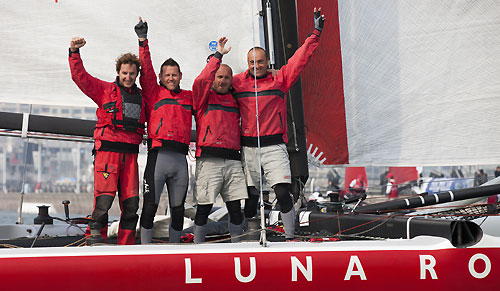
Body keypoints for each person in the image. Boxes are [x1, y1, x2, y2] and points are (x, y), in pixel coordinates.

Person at [232, 8, 325, 240]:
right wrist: (214, 59)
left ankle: (290, 237)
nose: (256, 66)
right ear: (247, 63)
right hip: (248, 147)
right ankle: (248, 237)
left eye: (260, 62)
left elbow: (300, 59)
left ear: (267, 62)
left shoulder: (280, 79)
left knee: (283, 193)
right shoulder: (237, 83)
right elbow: (213, 86)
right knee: (251, 198)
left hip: (274, 146)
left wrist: (315, 33)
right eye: (252, 62)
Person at [68, 37, 146, 245]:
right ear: (118, 73)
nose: (128, 77)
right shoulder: (104, 90)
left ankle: (126, 245)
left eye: (132, 73)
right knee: (103, 200)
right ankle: (93, 240)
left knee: (131, 204)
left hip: (130, 155)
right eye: (124, 73)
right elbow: (80, 78)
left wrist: (143, 42)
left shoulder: (143, 97)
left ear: (137, 74)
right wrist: (74, 52)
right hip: (107, 154)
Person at [135, 18, 193, 243]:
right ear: (161, 78)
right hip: (157, 157)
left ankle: (175, 249)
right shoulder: (153, 92)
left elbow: (207, 84)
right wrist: (142, 40)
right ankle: (145, 250)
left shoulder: (189, 96)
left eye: (174, 74)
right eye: (167, 75)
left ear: (180, 76)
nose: (171, 78)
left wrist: (216, 58)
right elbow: (146, 69)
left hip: (180, 160)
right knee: (149, 207)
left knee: (178, 209)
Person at [191, 37, 248, 243]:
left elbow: (248, 81)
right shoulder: (202, 98)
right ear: (213, 78)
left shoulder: (235, 99)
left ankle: (237, 247)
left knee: (234, 208)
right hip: (209, 160)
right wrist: (218, 56)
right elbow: (200, 81)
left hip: (233, 160)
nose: (222, 81)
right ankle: (198, 248)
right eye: (218, 77)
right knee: (204, 207)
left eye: (226, 77)